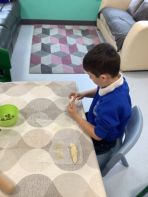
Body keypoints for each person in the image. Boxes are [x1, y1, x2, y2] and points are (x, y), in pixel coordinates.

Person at [67, 43, 132, 155]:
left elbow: (98, 135)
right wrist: (83, 94)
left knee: (70, 145)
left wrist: (76, 116)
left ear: (103, 78)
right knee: (68, 122)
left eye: (90, 76)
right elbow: (100, 90)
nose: (89, 78)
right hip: (98, 119)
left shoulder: (111, 106)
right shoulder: (117, 81)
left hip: (103, 141)